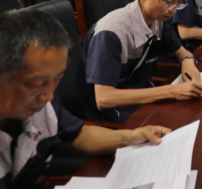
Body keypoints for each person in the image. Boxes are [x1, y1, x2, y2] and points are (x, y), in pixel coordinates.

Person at [0, 10, 171, 189]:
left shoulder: (42, 103)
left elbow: (79, 135)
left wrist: (130, 137)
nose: (49, 95)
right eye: (36, 84)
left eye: (57, 79)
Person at [76, 0, 202, 122]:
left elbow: (181, 52)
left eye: (179, 3)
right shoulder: (111, 33)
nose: (173, 10)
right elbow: (104, 98)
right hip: (110, 114)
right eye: (169, 2)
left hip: (142, 98)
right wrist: (171, 91)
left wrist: (188, 62)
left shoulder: (158, 19)